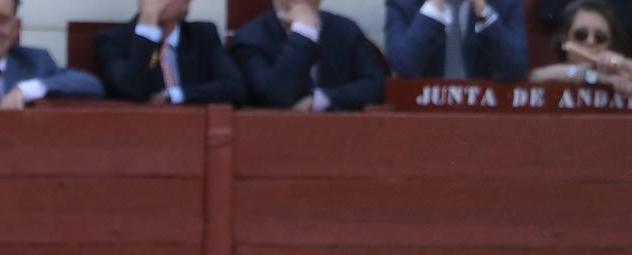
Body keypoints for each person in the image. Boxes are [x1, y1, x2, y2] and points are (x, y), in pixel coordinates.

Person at [229, 0, 385, 109]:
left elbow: (375, 87)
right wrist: (303, 32)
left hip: (344, 137)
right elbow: (275, 95)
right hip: (272, 139)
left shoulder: (346, 30)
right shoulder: (251, 36)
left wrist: (320, 100)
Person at [95, 0, 246, 105]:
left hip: (191, 132)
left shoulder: (203, 36)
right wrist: (148, 26)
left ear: (185, 3)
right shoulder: (113, 41)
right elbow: (134, 89)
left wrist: (173, 95)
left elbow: (234, 88)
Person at [385, 0, 528, 80]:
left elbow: (515, 68)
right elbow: (402, 67)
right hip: (424, 115)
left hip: (483, 115)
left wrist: (482, 9)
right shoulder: (403, 3)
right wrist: (434, 5)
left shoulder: (504, 3)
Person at [530, 0, 630, 92]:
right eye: (581, 34)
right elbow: (536, 76)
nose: (590, 41)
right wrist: (600, 78)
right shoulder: (563, 71)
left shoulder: (621, 73)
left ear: (609, 42)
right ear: (565, 38)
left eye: (600, 37)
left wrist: (621, 63)